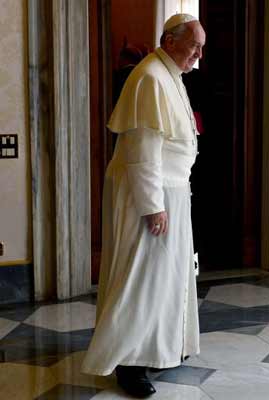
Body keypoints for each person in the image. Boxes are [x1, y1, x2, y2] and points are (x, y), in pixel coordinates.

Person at [81, 14, 206, 398]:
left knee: (165, 278)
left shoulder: (169, 74)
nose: (198, 55)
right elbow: (142, 151)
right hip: (150, 196)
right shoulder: (150, 77)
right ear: (170, 41)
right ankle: (128, 366)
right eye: (193, 47)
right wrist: (153, 206)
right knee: (141, 280)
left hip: (171, 191)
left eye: (201, 48)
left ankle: (158, 348)